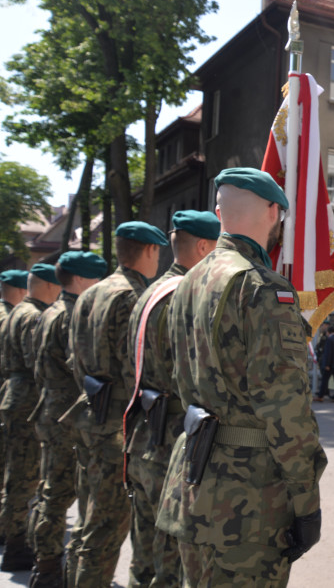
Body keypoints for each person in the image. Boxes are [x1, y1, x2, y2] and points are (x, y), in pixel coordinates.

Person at [156, 168, 326, 586]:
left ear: (219, 211)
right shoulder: (263, 288)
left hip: (192, 482)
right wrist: (306, 502)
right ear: (273, 211)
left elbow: (173, 376)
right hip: (247, 501)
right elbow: (286, 410)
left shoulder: (186, 283)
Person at [63, 221, 167, 587]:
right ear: (150, 251)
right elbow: (134, 373)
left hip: (90, 416)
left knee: (88, 521)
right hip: (116, 431)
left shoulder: (91, 294)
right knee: (106, 529)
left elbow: (74, 360)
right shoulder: (131, 297)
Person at [125, 210, 219, 587]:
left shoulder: (148, 292)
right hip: (173, 444)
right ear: (202, 246)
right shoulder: (187, 294)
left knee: (143, 555)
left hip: (144, 434)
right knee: (170, 565)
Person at [30, 251, 106, 587]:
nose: (99, 285)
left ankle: (44, 564)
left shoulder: (49, 312)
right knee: (61, 493)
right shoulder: (71, 314)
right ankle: (48, 569)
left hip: (50, 407)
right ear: (79, 279)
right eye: (95, 278)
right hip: (66, 416)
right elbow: (83, 369)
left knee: (51, 491)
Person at [0, 263, 61, 570]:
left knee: (15, 471)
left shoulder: (16, 312)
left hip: (14, 394)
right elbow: (35, 362)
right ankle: (16, 544)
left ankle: (11, 535)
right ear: (50, 287)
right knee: (24, 477)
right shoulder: (33, 316)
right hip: (27, 400)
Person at [0, 269, 27, 548]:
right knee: (18, 468)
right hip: (17, 395)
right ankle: (12, 532)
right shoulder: (12, 317)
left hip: (8, 393)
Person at [314, 325, 334, 402]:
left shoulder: (329, 339)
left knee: (324, 380)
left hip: (330, 364)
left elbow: (328, 353)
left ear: (328, 332)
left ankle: (320, 396)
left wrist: (327, 364)